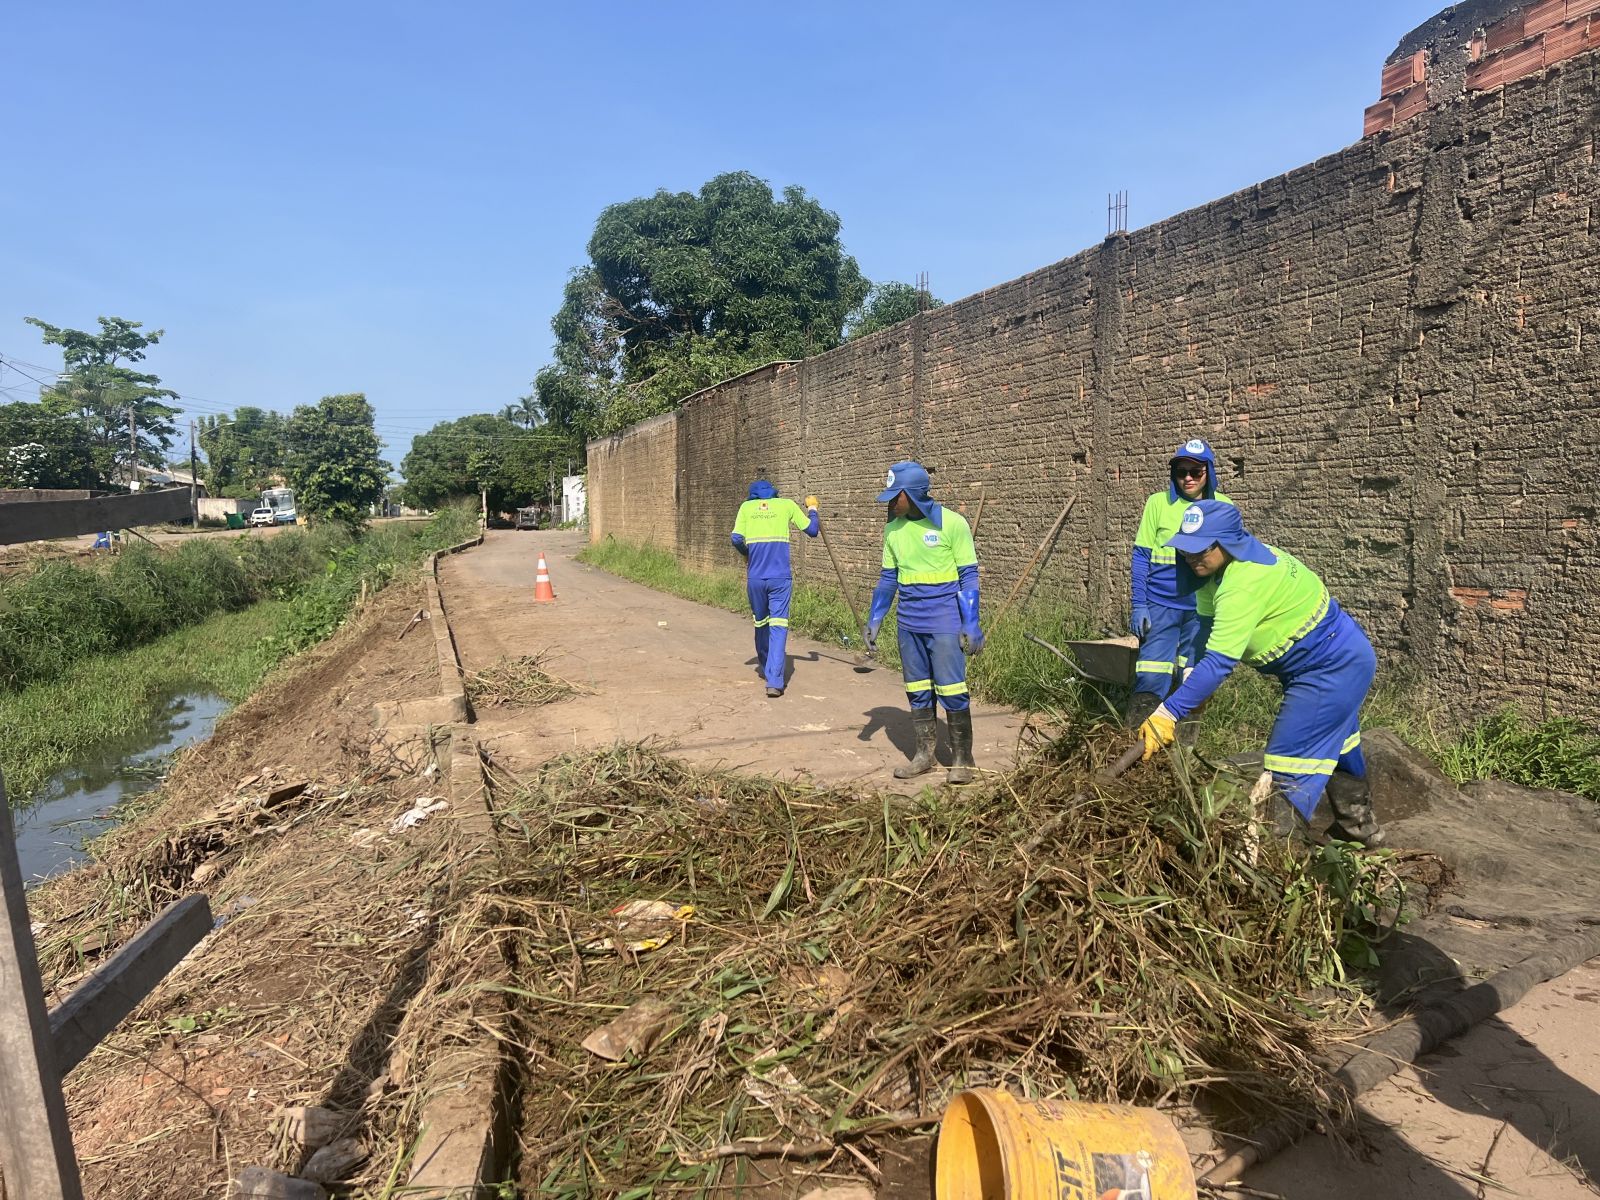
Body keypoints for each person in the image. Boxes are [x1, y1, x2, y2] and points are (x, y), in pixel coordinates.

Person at [1136, 499, 1385, 846]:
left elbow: (1221, 663)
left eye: (1201, 549)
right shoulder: (1214, 574)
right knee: (1339, 741)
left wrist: (1168, 712)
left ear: (1227, 541)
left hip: (1330, 666)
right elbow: (1205, 631)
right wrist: (1192, 676)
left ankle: (1275, 855)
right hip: (1330, 658)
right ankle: (1359, 830)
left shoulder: (1243, 583)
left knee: (1287, 767)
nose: (1192, 557)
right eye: (1186, 549)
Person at [863, 461, 984, 784]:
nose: (889, 503)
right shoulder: (893, 530)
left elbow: (968, 575)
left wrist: (971, 622)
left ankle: (963, 759)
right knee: (917, 690)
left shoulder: (952, 524)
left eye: (894, 496)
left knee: (952, 690)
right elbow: (888, 579)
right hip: (909, 622)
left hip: (944, 619)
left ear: (912, 494)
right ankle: (925, 754)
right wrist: (875, 618)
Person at [1128, 438, 1231, 734]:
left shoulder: (1223, 508)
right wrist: (1139, 604)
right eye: (1181, 471)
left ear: (1208, 473)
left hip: (1202, 611)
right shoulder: (1158, 504)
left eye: (1195, 472)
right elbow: (1141, 556)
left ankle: (1183, 751)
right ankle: (1139, 740)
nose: (1187, 477)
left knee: (1193, 679)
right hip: (1161, 605)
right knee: (1151, 675)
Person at [730, 480, 819, 697]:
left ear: (753, 496)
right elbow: (813, 530)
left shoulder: (746, 508)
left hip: (756, 578)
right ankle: (774, 680)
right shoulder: (786, 505)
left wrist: (747, 553)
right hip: (780, 579)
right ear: (774, 494)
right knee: (779, 627)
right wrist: (813, 508)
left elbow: (736, 538)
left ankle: (765, 665)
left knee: (761, 623)